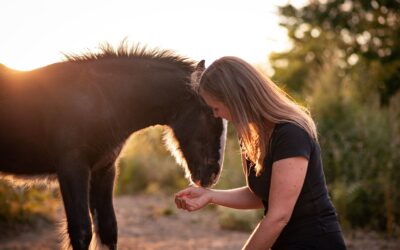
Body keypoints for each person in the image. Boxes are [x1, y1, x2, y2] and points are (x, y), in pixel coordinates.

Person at [174, 56, 346, 250]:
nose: (215, 114)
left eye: (216, 107)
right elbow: (260, 195)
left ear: (235, 100)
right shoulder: (252, 135)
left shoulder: (291, 132)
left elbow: (279, 216)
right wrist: (209, 195)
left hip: (315, 242)